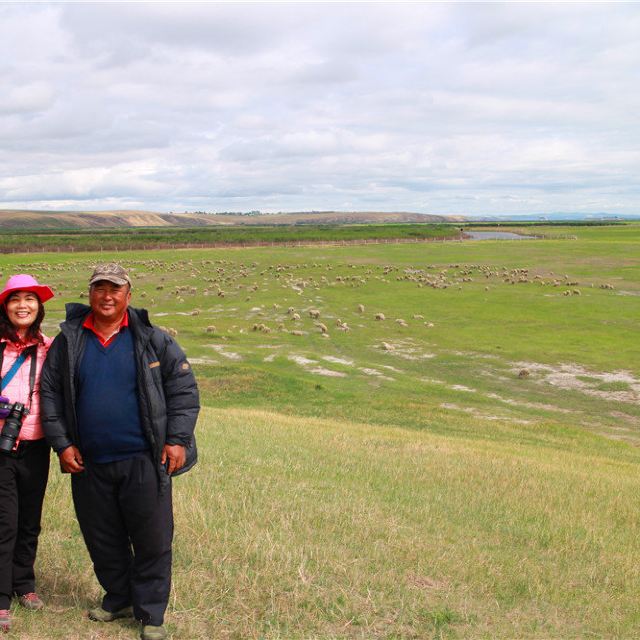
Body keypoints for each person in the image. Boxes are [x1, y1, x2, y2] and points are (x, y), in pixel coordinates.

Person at [40, 263, 199, 640]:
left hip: (146, 458)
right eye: (100, 288)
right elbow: (50, 393)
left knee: (153, 538)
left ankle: (150, 614)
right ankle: (118, 597)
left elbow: (183, 390)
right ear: (89, 292)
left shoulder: (152, 339)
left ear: (129, 294)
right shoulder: (70, 339)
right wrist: (62, 444)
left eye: (115, 289)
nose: (107, 296)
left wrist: (177, 439)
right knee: (102, 536)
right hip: (89, 461)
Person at [0, 274, 55, 633]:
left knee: (30, 520)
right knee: (4, 522)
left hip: (37, 444)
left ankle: (25, 584)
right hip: (0, 447)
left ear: (39, 307)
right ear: (5, 306)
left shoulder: (49, 347)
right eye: (16, 298)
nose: (23, 305)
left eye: (30, 299)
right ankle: (1, 598)